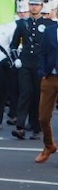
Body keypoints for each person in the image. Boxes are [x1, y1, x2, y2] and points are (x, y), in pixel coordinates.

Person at [9, 0, 52, 140]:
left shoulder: (48, 24)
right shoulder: (22, 24)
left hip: (40, 63)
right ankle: (20, 126)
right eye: (31, 4)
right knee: (25, 93)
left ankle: (35, 127)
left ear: (41, 6)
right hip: (25, 62)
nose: (34, 7)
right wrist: (16, 59)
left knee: (37, 95)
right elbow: (13, 44)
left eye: (36, 4)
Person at [35, 14, 58, 164]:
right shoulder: (49, 31)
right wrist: (43, 72)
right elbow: (42, 53)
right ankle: (49, 145)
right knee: (43, 117)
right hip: (50, 77)